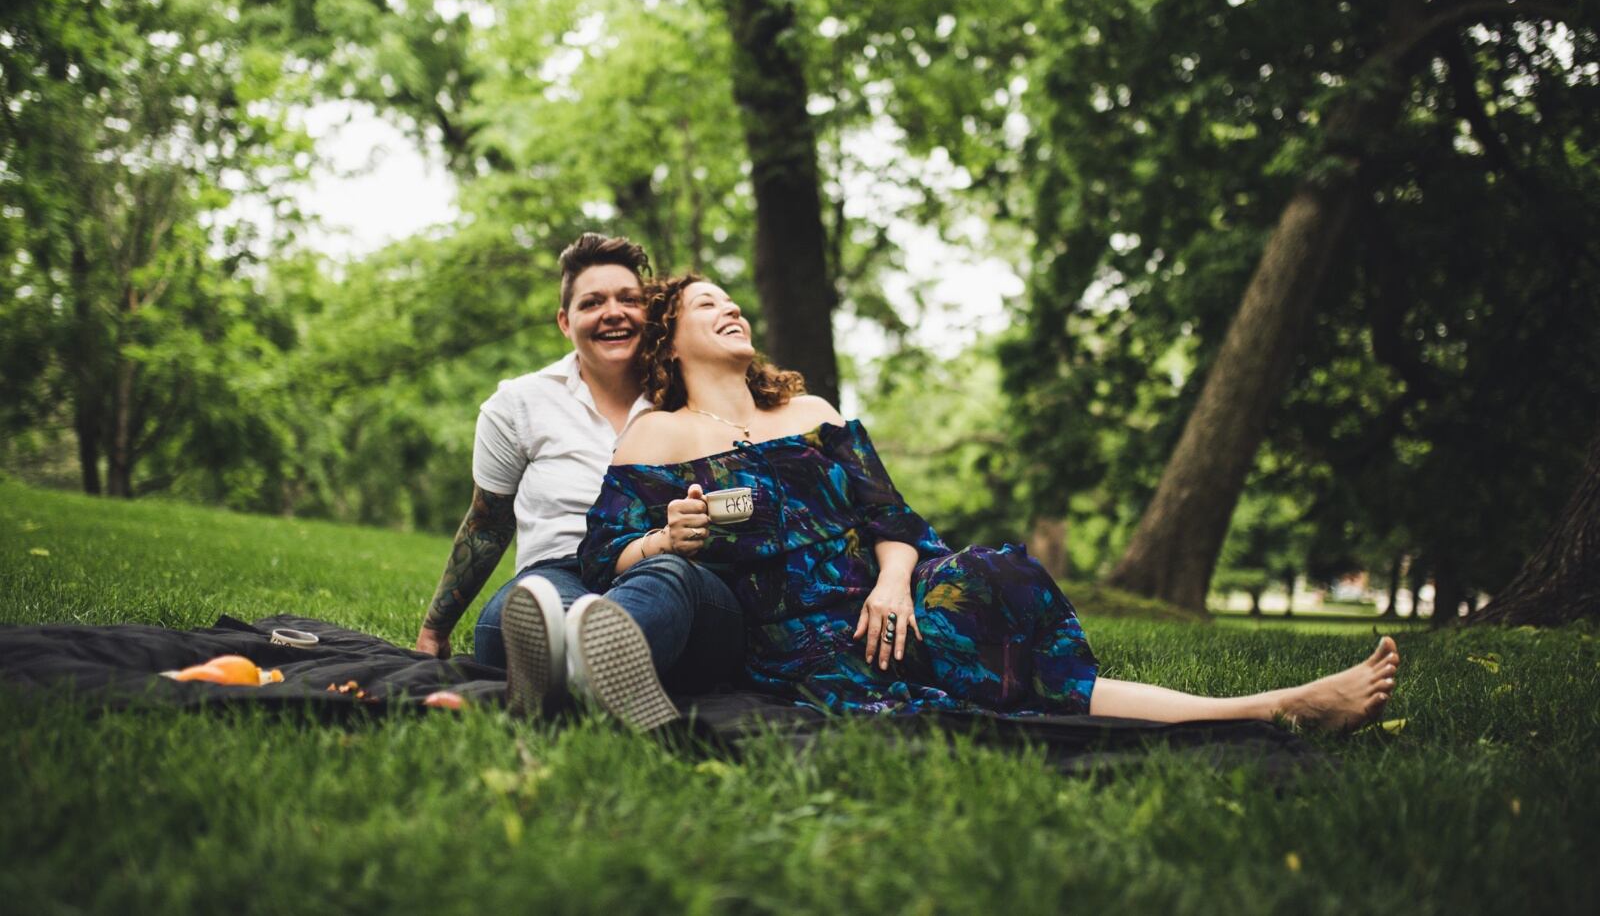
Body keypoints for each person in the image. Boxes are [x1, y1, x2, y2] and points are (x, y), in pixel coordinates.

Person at [578, 274, 1400, 728]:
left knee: (995, 595)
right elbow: (601, 555)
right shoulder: (659, 438)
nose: (732, 308)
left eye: (733, 298)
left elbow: (889, 522)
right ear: (667, 340)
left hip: (885, 600)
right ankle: (1265, 711)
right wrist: (666, 541)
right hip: (800, 638)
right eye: (707, 303)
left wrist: (895, 582)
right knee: (998, 691)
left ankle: (1262, 708)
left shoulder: (813, 415)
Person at [414, 238, 744, 730]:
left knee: (667, 578)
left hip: (674, 581)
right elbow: (487, 525)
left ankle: (556, 690)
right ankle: (599, 681)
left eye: (628, 300)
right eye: (592, 303)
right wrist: (433, 630)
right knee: (534, 604)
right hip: (556, 576)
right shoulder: (519, 405)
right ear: (565, 322)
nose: (613, 313)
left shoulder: (690, 396)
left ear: (652, 316)